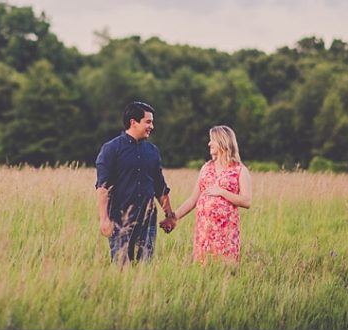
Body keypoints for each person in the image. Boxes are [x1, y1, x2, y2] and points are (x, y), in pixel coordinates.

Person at [95, 101, 177, 265]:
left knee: (145, 269)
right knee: (121, 267)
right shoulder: (111, 149)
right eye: (148, 121)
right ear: (133, 122)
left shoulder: (152, 151)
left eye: (152, 122)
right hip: (120, 221)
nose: (152, 126)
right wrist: (104, 219)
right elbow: (103, 187)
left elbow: (160, 188)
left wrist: (170, 216)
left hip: (147, 222)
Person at [171, 125, 252, 263]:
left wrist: (222, 192)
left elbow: (246, 201)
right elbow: (192, 200)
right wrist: (173, 217)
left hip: (226, 234)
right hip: (204, 232)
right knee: (203, 271)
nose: (209, 144)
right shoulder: (206, 168)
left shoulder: (240, 170)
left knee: (225, 271)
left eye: (212, 140)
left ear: (222, 141)